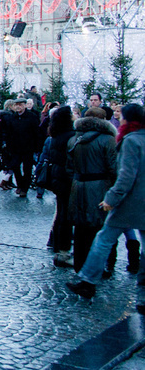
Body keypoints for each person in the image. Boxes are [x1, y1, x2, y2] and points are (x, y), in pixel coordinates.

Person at [67, 103, 145, 311]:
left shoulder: (130, 141)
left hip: (128, 201)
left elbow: (125, 175)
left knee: (104, 239)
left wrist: (111, 197)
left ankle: (88, 281)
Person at [66, 107, 117, 273]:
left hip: (77, 186)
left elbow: (69, 167)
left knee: (80, 228)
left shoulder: (74, 139)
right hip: (100, 186)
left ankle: (80, 264)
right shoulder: (108, 139)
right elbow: (113, 167)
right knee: (100, 228)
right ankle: (98, 267)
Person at [46, 106, 76, 268]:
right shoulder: (70, 136)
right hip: (66, 179)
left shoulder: (56, 134)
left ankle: (58, 245)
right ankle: (63, 250)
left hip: (57, 178)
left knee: (60, 213)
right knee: (65, 215)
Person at [2, 99, 39, 197]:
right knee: (15, 167)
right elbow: (8, 133)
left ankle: (25, 188)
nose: (18, 107)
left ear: (25, 105)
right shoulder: (12, 117)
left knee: (27, 169)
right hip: (15, 148)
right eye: (16, 105)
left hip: (28, 148)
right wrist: (8, 146)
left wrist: (36, 147)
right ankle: (20, 185)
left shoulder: (32, 117)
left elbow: (37, 133)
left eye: (20, 105)